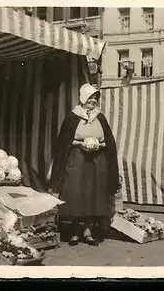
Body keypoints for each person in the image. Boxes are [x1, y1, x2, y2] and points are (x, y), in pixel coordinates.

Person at [49, 83, 120, 246]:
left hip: (97, 162)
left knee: (93, 194)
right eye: (90, 97)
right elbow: (64, 141)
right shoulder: (73, 116)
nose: (93, 101)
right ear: (82, 98)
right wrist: (80, 143)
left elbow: (109, 142)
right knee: (76, 194)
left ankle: (88, 231)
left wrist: (98, 145)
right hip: (77, 160)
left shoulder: (100, 117)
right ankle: (75, 231)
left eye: (95, 98)